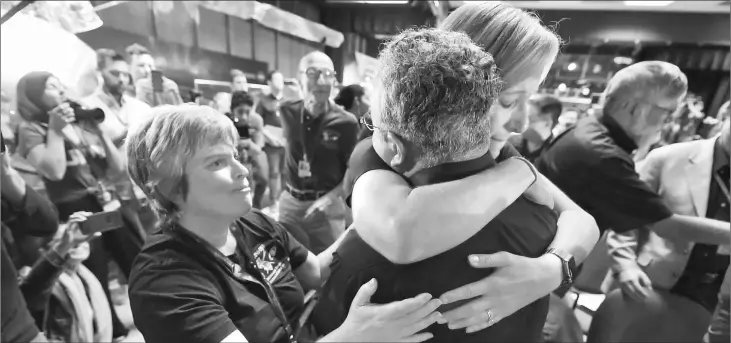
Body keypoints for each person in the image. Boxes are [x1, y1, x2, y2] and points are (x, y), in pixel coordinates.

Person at [341, 1, 598, 335]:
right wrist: (520, 173)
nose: (521, 122)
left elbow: (583, 222)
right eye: (508, 102)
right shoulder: (381, 149)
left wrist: (548, 270)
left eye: (528, 100)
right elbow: (401, 234)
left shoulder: (497, 149)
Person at [126, 104, 443, 343]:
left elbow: (316, 272)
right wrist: (354, 336)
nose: (242, 171)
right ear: (167, 185)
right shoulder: (164, 281)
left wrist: (372, 218)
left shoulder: (252, 223)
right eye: (217, 162)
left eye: (236, 156)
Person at [536, 61, 729, 244]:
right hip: (535, 262)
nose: (669, 121)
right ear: (636, 108)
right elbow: (668, 226)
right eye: (669, 112)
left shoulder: (590, 130)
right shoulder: (603, 155)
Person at [14, 71, 138, 340]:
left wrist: (99, 133)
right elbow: (54, 171)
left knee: (136, 259)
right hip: (72, 208)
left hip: (104, 200)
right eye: (51, 86)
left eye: (61, 84)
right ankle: (112, 330)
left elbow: (117, 169)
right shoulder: (31, 128)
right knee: (96, 271)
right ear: (33, 95)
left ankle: (157, 310)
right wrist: (56, 130)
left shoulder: (77, 122)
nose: (61, 90)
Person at [596, 117, 730, 342]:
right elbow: (627, 217)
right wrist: (625, 265)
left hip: (711, 302)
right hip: (646, 283)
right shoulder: (668, 157)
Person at [277, 52, 359, 254]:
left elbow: (352, 170)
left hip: (325, 206)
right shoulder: (288, 111)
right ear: (300, 78)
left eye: (328, 74)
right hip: (290, 204)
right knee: (291, 259)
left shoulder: (346, 122)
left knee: (330, 263)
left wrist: (330, 199)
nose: (321, 81)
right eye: (313, 73)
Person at [231, 91, 269, 209]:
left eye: (247, 112)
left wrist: (248, 143)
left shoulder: (256, 120)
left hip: (251, 157)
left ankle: (256, 208)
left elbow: (258, 148)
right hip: (232, 158)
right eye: (240, 112)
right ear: (232, 110)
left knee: (262, 181)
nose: (244, 117)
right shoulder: (225, 121)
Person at [256, 71, 287, 208]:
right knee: (274, 173)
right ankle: (274, 201)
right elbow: (257, 124)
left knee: (286, 172)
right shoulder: (263, 101)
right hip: (272, 143)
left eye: (281, 79)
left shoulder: (287, 101)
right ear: (269, 82)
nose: (280, 82)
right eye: (276, 79)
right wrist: (269, 136)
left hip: (286, 143)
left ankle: (283, 200)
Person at [509, 95, 563, 162]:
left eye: (544, 121)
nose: (534, 124)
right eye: (531, 119)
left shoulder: (556, 152)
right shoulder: (512, 143)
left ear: (554, 124)